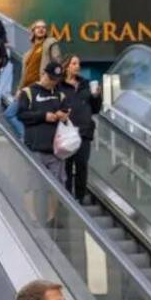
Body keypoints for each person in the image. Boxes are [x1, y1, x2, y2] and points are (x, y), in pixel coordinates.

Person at [4, 21, 62, 137]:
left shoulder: (50, 43)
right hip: (26, 89)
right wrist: (19, 90)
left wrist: (51, 80)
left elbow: (57, 62)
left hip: (40, 88)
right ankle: (25, 136)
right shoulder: (28, 53)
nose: (41, 29)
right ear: (33, 31)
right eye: (38, 27)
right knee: (9, 114)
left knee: (36, 117)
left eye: (43, 27)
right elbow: (24, 74)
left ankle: (27, 138)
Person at [17, 61, 71, 186]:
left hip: (56, 152)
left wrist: (63, 117)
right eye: (51, 78)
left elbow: (66, 116)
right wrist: (43, 116)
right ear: (44, 74)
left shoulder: (60, 95)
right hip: (35, 149)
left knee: (56, 189)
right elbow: (21, 115)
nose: (53, 82)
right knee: (32, 187)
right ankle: (29, 206)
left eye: (56, 80)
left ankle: (53, 206)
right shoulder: (28, 92)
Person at [58, 56, 101, 203]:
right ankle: (68, 196)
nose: (77, 66)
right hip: (66, 132)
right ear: (66, 66)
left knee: (82, 165)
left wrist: (96, 97)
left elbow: (95, 109)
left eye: (79, 64)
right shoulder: (59, 86)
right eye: (74, 63)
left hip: (84, 132)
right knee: (67, 166)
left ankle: (80, 197)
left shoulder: (86, 84)